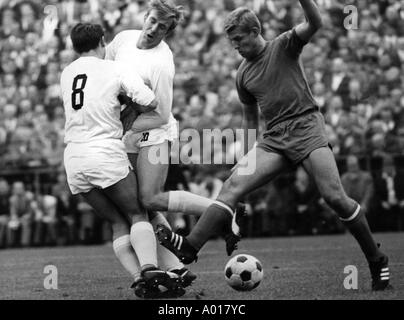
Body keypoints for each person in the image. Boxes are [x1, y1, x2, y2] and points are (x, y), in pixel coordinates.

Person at [157, 1, 391, 291]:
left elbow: (315, 22)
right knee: (232, 185)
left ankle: (376, 258)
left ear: (255, 31)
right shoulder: (242, 74)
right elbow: (250, 121)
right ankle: (189, 247)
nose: (235, 47)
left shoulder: (284, 45)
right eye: (232, 42)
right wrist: (245, 163)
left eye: (239, 40)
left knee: (334, 197)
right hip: (275, 138)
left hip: (306, 128)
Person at [106, 0, 240, 289]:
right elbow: (104, 78)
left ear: (168, 32)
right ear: (146, 16)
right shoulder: (123, 40)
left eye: (163, 27)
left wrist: (122, 123)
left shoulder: (161, 63)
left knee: (151, 199)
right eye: (153, 21)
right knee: (142, 208)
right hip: (126, 133)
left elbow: (161, 115)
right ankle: (177, 269)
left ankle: (222, 211)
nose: (154, 29)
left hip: (155, 132)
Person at [61, 22, 184, 298]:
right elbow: (151, 101)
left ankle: (139, 278)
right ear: (103, 41)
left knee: (117, 222)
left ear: (74, 46)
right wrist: (128, 99)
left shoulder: (66, 73)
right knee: (138, 212)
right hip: (103, 151)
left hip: (74, 159)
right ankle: (152, 268)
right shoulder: (114, 68)